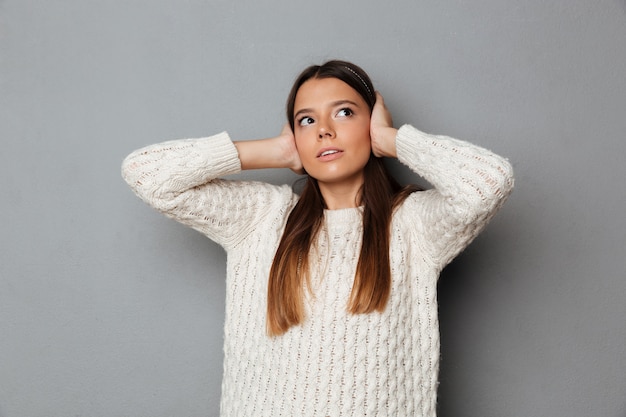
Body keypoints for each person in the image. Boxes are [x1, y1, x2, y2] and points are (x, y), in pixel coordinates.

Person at [121, 60, 514, 417]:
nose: (324, 129)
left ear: (371, 124)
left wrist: (393, 139)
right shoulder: (261, 216)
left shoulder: (413, 223)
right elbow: (147, 174)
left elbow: (488, 182)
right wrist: (273, 151)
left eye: (344, 112)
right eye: (306, 121)